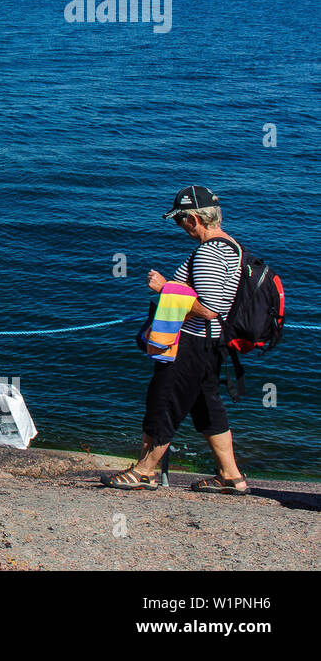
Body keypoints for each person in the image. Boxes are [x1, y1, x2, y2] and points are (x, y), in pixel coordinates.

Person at [102, 186, 250, 494]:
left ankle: (144, 471)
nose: (179, 227)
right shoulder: (232, 246)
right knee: (207, 407)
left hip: (192, 343)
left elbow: (208, 309)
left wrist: (164, 288)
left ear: (194, 219)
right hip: (212, 345)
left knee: (164, 401)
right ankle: (231, 475)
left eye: (179, 220)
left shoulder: (209, 252)